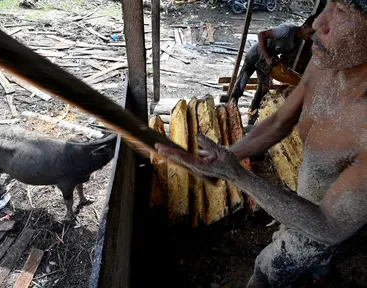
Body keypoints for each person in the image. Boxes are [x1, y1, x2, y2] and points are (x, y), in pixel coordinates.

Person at [155, 0, 367, 286]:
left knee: (267, 272)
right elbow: (280, 121)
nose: (318, 23)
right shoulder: (325, 65)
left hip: (337, 226)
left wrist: (236, 174)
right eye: (328, 3)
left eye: (342, 11)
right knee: (312, 272)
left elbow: (331, 226)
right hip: (309, 205)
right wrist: (226, 157)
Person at [230, 17, 315, 125]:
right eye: (310, 32)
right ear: (305, 26)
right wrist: (267, 57)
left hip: (265, 63)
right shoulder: (286, 30)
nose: (310, 36)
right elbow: (261, 35)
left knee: (264, 88)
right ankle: (231, 110)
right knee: (241, 85)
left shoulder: (297, 42)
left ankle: (252, 112)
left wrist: (283, 66)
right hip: (255, 55)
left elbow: (284, 56)